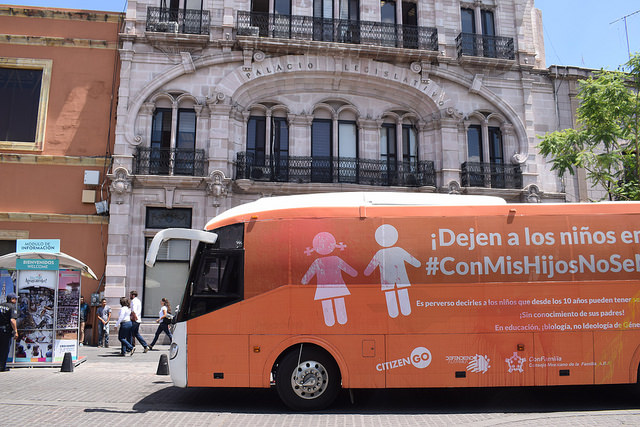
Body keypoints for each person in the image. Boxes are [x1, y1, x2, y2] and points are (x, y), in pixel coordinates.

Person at [0, 293, 18, 372]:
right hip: (5, 331)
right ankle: (2, 367)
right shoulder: (12, 307)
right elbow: (12, 320)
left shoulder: (1, 305)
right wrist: (15, 331)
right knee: (4, 349)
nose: (16, 300)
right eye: (15, 299)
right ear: (11, 299)